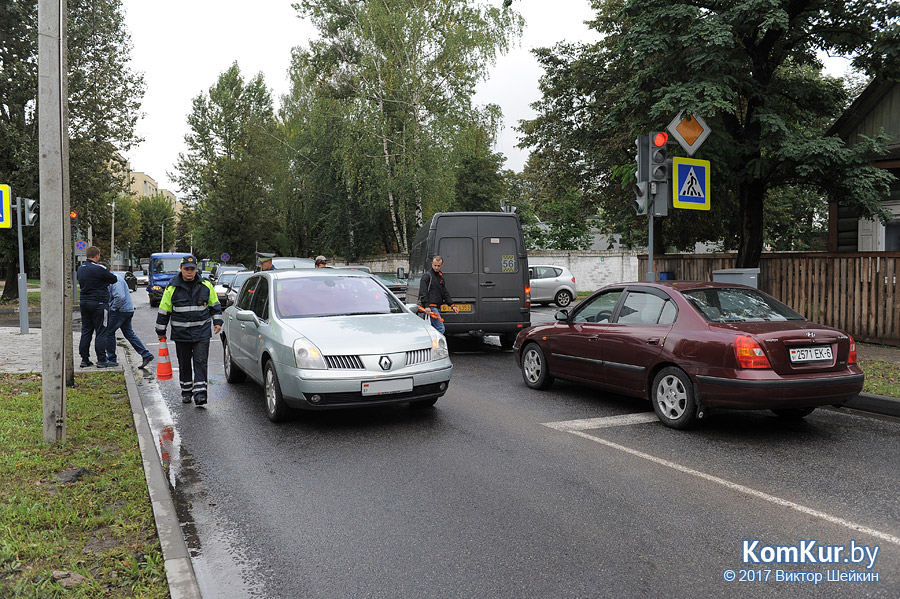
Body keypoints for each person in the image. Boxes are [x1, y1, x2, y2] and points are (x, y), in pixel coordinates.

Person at [155, 255, 223, 406]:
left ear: (196, 270)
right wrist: (160, 331)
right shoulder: (172, 287)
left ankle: (200, 394)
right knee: (184, 363)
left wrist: (217, 322)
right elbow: (164, 310)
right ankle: (186, 391)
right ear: (181, 269)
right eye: (187, 269)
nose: (190, 272)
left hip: (201, 333)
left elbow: (215, 305)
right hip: (181, 334)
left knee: (200, 361)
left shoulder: (206, 285)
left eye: (192, 269)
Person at [104, 266, 154, 369]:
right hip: (127, 310)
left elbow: (120, 297)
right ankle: (146, 354)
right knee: (129, 333)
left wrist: (113, 308)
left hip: (121, 311)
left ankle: (112, 359)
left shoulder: (115, 279)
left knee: (109, 332)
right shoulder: (113, 278)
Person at [77, 246, 118, 368]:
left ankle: (84, 359)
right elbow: (113, 279)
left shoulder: (80, 268)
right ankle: (101, 359)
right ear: (97, 256)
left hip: (84, 303)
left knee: (86, 331)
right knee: (101, 331)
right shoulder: (99, 268)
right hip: (99, 304)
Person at [417, 255, 458, 335]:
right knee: (440, 329)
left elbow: (445, 293)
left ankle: (433, 346)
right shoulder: (427, 276)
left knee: (433, 329)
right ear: (432, 263)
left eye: (438, 266)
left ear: (442, 265)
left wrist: (452, 305)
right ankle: (437, 346)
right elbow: (423, 292)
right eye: (435, 265)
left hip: (435, 307)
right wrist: (427, 306)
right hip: (431, 308)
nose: (436, 267)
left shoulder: (440, 277)